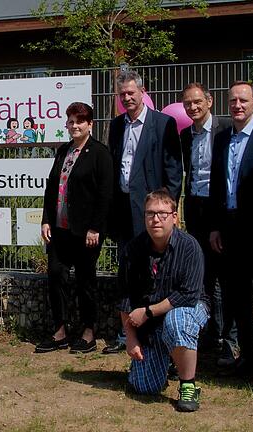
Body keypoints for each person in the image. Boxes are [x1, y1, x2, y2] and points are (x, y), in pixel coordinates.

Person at [208, 81, 253, 384]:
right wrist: (215, 226)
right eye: (232, 101)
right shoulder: (223, 138)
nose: (237, 105)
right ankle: (249, 358)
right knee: (237, 299)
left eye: (243, 100)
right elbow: (216, 185)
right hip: (230, 228)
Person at [106, 69, 183, 353]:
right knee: (126, 269)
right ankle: (126, 331)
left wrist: (166, 209)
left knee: (151, 271)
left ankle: (152, 330)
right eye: (122, 94)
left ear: (142, 92)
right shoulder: (116, 126)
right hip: (124, 210)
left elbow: (174, 170)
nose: (127, 98)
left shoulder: (163, 124)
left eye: (131, 93)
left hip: (151, 213)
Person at [35, 102, 113, 354]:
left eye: (80, 121)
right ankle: (60, 331)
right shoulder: (63, 151)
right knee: (56, 274)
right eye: (70, 121)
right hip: (60, 229)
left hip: (86, 232)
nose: (75, 126)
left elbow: (105, 194)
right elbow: (51, 188)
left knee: (84, 281)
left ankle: (89, 332)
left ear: (90, 124)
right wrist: (46, 219)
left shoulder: (99, 153)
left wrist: (95, 227)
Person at [119, 189, 207, 412]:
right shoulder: (132, 250)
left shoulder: (190, 247)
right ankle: (162, 358)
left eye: (162, 213)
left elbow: (187, 295)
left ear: (174, 217)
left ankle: (188, 384)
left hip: (188, 309)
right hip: (152, 323)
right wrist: (130, 339)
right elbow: (125, 297)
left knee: (177, 321)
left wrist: (147, 312)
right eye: (150, 214)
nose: (155, 219)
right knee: (144, 387)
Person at [179, 83, 237, 366]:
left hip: (220, 212)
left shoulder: (226, 129)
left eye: (197, 101)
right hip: (196, 211)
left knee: (225, 280)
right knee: (201, 277)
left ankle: (229, 341)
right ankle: (208, 337)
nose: (193, 107)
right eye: (188, 103)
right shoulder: (185, 135)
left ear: (209, 101)